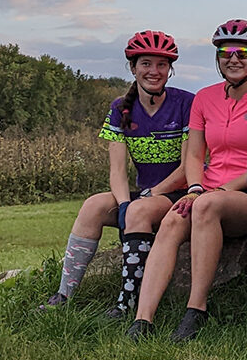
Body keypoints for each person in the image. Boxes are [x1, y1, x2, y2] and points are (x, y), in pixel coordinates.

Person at [128, 20, 247, 343]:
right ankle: (143, 320)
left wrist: (221, 190)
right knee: (173, 220)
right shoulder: (204, 99)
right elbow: (195, 156)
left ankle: (195, 310)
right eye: (226, 52)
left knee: (207, 205)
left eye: (243, 52)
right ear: (218, 58)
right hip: (205, 189)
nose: (234, 59)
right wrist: (196, 187)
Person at [43, 30, 193, 318]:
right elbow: (117, 171)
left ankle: (126, 304)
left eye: (162, 65)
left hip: (175, 193)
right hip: (143, 197)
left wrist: (148, 197)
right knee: (94, 205)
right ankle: (64, 294)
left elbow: (187, 167)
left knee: (139, 209)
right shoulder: (119, 108)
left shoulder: (186, 103)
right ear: (133, 67)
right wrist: (124, 204)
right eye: (146, 64)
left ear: (170, 69)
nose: (154, 71)